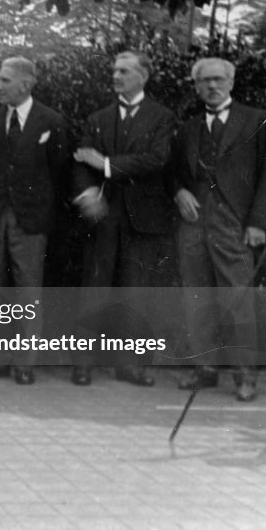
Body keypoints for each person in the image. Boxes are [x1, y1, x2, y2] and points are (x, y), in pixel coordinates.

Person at [171, 58, 266, 401]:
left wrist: (257, 223)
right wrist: (179, 191)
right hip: (193, 222)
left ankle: (245, 376)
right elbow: (172, 171)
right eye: (205, 81)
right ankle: (206, 369)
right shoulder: (188, 128)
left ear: (231, 82)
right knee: (196, 296)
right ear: (197, 86)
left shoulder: (255, 119)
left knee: (238, 298)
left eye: (218, 80)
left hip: (233, 222)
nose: (212, 86)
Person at [71, 51, 178, 387]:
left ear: (143, 76)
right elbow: (78, 162)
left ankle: (128, 366)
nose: (116, 76)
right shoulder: (98, 118)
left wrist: (104, 165)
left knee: (136, 292)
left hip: (143, 218)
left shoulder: (162, 117)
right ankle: (83, 363)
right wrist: (87, 194)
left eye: (125, 71)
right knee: (94, 288)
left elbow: (157, 159)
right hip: (103, 216)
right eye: (115, 71)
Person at [0, 57, 68, 385]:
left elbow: (59, 172)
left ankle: (25, 363)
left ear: (25, 84)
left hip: (30, 220)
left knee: (29, 291)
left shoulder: (51, 121)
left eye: (4, 80)